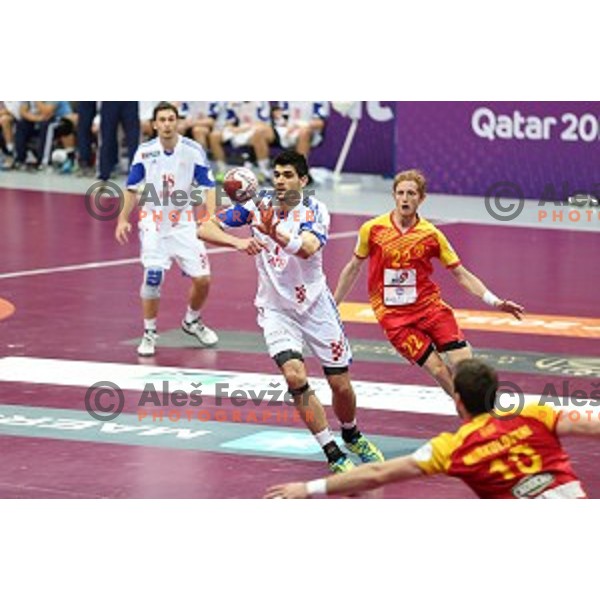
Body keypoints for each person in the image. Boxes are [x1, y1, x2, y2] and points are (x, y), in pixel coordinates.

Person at [198, 150, 383, 473]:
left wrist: (275, 234)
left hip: (315, 305)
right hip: (275, 309)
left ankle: (351, 433)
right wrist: (238, 243)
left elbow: (309, 247)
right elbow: (205, 229)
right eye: (277, 175)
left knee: (340, 385)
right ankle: (332, 452)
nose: (280, 181)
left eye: (287, 175)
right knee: (294, 376)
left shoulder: (315, 210)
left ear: (303, 181)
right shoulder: (256, 206)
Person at [265, 358, 598, 499]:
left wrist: (308, 489)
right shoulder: (536, 414)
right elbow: (592, 424)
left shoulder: (453, 448)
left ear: (457, 401)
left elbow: (379, 473)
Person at [334, 169, 524, 397]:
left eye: (411, 193)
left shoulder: (431, 235)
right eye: (401, 193)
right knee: (438, 369)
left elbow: (461, 274)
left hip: (430, 309)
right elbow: (353, 267)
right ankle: (469, 414)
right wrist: (334, 305)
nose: (405, 198)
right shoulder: (372, 229)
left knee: (465, 367)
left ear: (421, 198)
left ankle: (479, 411)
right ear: (394, 196)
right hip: (394, 319)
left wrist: (495, 302)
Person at [115, 101, 218, 357]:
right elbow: (131, 187)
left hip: (183, 224)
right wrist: (122, 219)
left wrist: (211, 216)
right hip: (153, 222)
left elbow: (208, 185)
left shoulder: (193, 150)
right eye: (162, 120)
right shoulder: (145, 151)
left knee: (203, 279)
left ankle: (191, 321)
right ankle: (149, 332)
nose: (167, 124)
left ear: (178, 122)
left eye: (171, 119)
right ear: (154, 124)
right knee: (153, 276)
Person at [209, 101, 274, 182]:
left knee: (258, 134)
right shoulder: (232, 102)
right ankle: (222, 170)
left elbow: (265, 122)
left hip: (258, 127)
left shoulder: (261, 102)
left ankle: (264, 171)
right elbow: (229, 120)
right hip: (240, 128)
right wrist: (232, 127)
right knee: (214, 136)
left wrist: (247, 127)